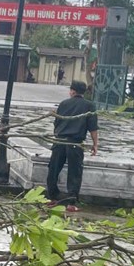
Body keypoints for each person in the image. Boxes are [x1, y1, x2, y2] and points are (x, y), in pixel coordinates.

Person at [45, 80, 99, 212]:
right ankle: (71, 203)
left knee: (53, 169)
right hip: (75, 142)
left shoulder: (63, 103)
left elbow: (56, 123)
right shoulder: (90, 106)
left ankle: (53, 197)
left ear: (73, 91)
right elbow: (93, 128)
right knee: (75, 172)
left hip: (59, 141)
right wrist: (95, 144)